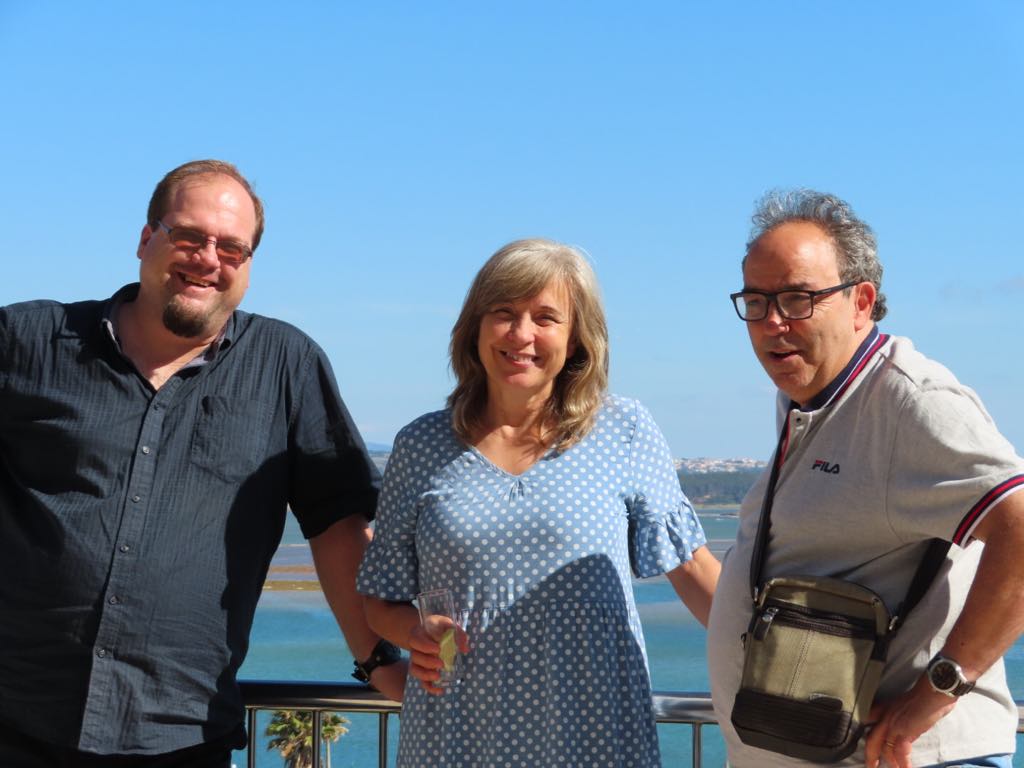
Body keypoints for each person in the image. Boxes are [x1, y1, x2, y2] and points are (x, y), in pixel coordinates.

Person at [0, 160, 406, 767]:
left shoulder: (286, 366)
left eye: (231, 248)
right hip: (14, 721)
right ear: (147, 239)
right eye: (188, 236)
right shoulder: (28, 341)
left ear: (248, 264)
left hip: (183, 736)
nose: (208, 259)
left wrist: (378, 662)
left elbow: (336, 524)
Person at [357, 237, 720, 766]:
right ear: (475, 328)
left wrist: (783, 674)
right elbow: (380, 600)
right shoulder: (420, 445)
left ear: (576, 339)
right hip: (456, 734)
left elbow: (693, 569)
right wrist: (415, 635)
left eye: (546, 317)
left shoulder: (624, 429)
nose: (521, 333)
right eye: (503, 313)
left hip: (596, 736)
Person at [707, 189, 1024, 768]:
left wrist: (940, 688)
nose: (773, 322)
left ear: (861, 302)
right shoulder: (811, 395)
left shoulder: (909, 402)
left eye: (798, 298)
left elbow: (1021, 528)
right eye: (756, 301)